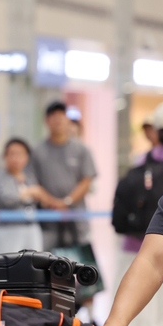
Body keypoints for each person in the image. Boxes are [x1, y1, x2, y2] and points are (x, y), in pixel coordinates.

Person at [103, 101, 163, 326]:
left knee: (151, 315)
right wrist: (116, 322)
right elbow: (154, 260)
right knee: (162, 313)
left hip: (138, 247)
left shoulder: (144, 161)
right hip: (153, 250)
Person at [30, 101, 97, 251]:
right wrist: (53, 203)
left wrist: (66, 202)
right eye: (53, 116)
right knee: (47, 258)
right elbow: (33, 183)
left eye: (61, 115)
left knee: (80, 259)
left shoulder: (81, 149)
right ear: (46, 121)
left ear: (68, 120)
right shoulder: (38, 151)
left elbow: (86, 180)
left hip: (77, 218)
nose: (58, 120)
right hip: (48, 220)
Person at [0, 138, 55, 253]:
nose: (16, 158)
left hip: (31, 227)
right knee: (9, 260)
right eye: (12, 154)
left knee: (35, 260)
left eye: (20, 154)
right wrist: (29, 192)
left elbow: (41, 198)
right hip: (9, 228)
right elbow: (7, 199)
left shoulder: (29, 177)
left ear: (27, 157)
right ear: (5, 156)